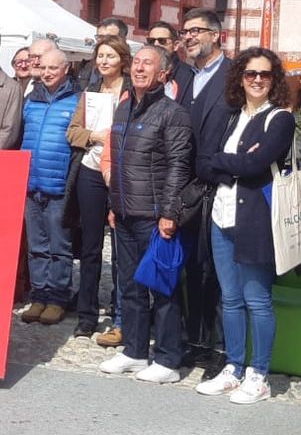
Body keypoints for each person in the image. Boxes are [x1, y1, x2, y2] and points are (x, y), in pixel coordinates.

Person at [195, 47, 295, 404]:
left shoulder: (279, 119)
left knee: (257, 300)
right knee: (230, 298)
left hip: (256, 221)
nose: (257, 80)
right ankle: (234, 366)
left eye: (264, 74)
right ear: (240, 77)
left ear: (274, 79)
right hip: (222, 216)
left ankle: (259, 374)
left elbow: (257, 165)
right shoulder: (229, 116)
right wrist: (235, 163)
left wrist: (226, 162)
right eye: (250, 73)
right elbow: (203, 163)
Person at [98, 46, 195, 384]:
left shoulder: (173, 113)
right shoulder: (123, 107)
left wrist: (169, 213)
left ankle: (168, 359)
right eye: (136, 63)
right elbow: (118, 161)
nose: (139, 69)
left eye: (148, 64)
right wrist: (114, 204)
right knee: (130, 286)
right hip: (125, 212)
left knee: (162, 287)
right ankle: (135, 352)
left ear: (163, 73)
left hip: (154, 215)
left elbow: (179, 167)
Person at [65, 35, 131, 342]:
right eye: (100, 56)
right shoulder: (90, 92)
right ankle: (87, 314)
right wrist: (94, 136)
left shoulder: (131, 92)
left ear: (122, 60)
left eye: (110, 56)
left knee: (121, 248)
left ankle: (121, 313)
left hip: (122, 174)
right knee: (90, 247)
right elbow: (72, 132)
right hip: (90, 171)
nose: (104, 61)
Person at [180, 8, 231, 369]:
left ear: (216, 35)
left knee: (219, 272)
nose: (189, 37)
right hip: (187, 189)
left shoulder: (233, 77)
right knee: (192, 269)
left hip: (220, 186)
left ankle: (220, 349)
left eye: (197, 30)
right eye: (185, 31)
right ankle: (194, 340)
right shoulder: (185, 77)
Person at [20, 49, 79, 325]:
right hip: (31, 184)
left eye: (53, 68)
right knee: (36, 247)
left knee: (59, 247)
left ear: (65, 69)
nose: (46, 73)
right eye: (43, 68)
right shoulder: (31, 99)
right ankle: (39, 295)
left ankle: (57, 298)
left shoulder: (77, 100)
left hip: (58, 186)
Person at [149, 21, 194, 104]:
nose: (155, 44)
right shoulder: (142, 71)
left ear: (175, 45)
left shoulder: (189, 76)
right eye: (151, 41)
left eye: (162, 41)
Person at [78, 16, 128, 88]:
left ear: (123, 39)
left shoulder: (136, 74)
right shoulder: (88, 68)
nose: (104, 41)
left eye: (110, 38)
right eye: (100, 37)